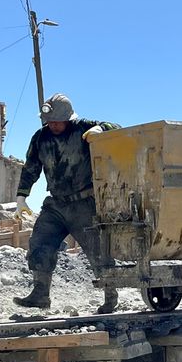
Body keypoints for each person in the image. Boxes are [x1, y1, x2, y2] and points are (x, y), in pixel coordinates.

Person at [13, 93, 121, 312]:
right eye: (49, 121)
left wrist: (102, 130)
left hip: (84, 204)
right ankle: (40, 295)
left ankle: (110, 297)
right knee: (40, 244)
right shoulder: (40, 138)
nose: (52, 125)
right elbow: (31, 167)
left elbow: (116, 128)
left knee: (97, 252)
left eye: (57, 121)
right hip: (55, 205)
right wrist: (21, 197)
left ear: (68, 118)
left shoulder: (84, 128)